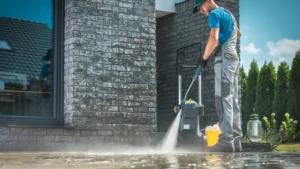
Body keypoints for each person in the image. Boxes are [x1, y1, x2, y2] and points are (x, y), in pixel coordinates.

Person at [193, 0, 242, 152]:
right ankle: (236, 139)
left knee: (222, 98)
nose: (201, 10)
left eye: (200, 6)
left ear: (208, 1)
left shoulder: (214, 14)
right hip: (233, 58)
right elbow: (238, 34)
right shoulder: (228, 14)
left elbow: (213, 38)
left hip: (224, 61)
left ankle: (226, 140)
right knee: (232, 99)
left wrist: (204, 58)